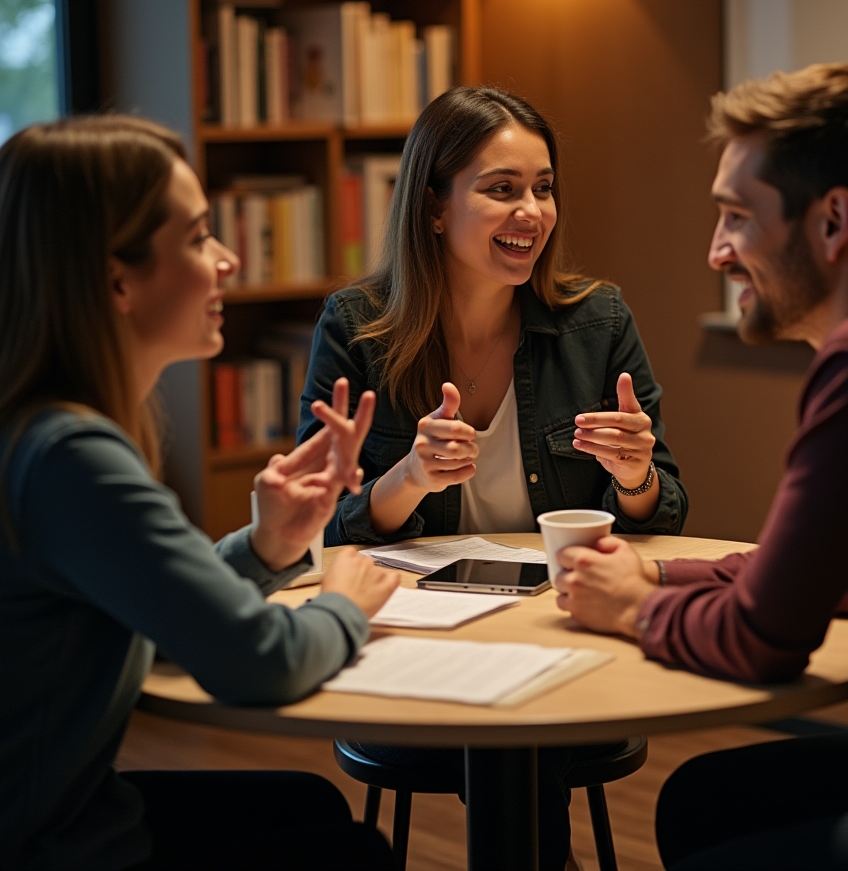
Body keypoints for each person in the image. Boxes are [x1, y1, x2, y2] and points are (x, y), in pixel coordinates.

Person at [555, 64, 848, 869]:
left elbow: (762, 640)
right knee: (709, 800)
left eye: (737, 217)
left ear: (834, 220)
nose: (716, 252)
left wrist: (633, 608)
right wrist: (663, 576)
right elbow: (826, 572)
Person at [297, 85, 689, 870]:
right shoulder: (357, 328)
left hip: (562, 640)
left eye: (543, 188)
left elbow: (662, 515)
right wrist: (409, 477)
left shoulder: (598, 321)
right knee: (519, 733)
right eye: (502, 189)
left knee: (531, 725)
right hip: (412, 651)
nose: (531, 212)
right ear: (434, 207)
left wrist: (636, 475)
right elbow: (314, 530)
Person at [0, 116, 400, 870]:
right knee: (349, 853)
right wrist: (344, 604)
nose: (229, 258)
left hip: (63, 815)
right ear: (117, 280)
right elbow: (259, 660)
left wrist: (269, 545)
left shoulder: (39, 435)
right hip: (48, 849)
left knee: (307, 806)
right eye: (197, 237)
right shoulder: (71, 459)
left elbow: (160, 614)